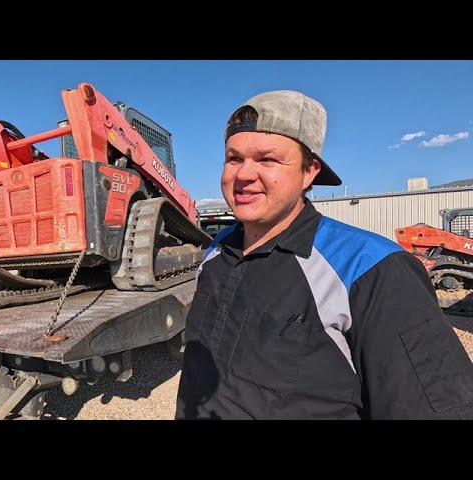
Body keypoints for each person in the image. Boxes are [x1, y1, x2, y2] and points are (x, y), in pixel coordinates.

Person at [175, 90, 473, 419]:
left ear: (309, 171)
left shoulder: (371, 271)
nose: (243, 175)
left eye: (268, 159)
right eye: (234, 158)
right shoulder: (216, 253)